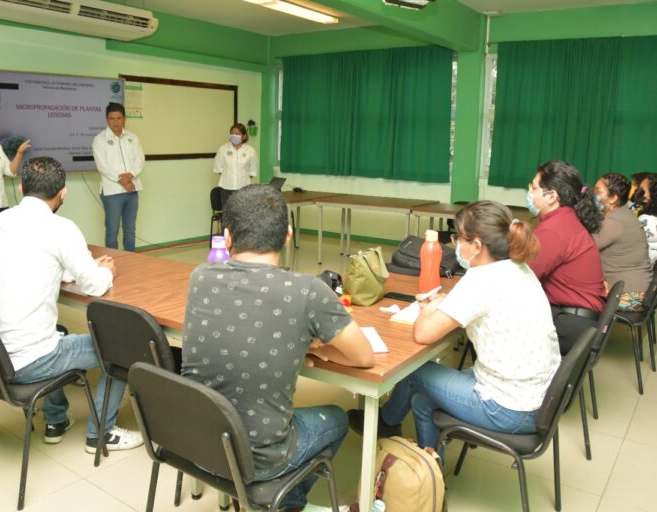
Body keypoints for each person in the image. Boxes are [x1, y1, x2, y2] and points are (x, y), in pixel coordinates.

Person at [181, 184, 374, 512]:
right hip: (260, 458)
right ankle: (289, 502)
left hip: (198, 443)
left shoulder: (200, 276)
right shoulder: (309, 291)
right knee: (339, 419)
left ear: (227, 238)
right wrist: (314, 346)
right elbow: (365, 357)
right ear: (288, 235)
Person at [347, 201, 560, 460]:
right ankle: (432, 470)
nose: (456, 245)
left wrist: (426, 307)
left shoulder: (481, 280)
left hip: (509, 408)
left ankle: (386, 423)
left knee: (413, 372)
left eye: (460, 238)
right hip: (540, 399)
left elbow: (423, 333)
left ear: (478, 245)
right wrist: (443, 304)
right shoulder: (518, 268)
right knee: (421, 403)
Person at [0, 156, 142, 453]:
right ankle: (100, 435)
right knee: (122, 348)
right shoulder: (61, 228)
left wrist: (79, 266)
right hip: (27, 360)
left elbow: (33, 260)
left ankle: (55, 420)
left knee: (58, 331)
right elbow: (94, 285)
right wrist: (104, 271)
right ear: (63, 193)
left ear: (22, 187)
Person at [526, 160, 606, 355]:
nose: (530, 192)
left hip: (569, 326)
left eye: (534, 187)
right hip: (581, 322)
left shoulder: (555, 229)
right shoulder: (567, 219)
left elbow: (523, 277)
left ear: (552, 195)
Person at [593, 173, 653, 311]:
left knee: (569, 289)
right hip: (638, 285)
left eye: (598, 191)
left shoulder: (615, 221)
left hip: (629, 294)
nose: (593, 195)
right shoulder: (622, 213)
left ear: (613, 198)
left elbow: (584, 246)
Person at [92, 102, 144, 252]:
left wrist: (130, 176)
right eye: (112, 118)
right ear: (107, 119)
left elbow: (140, 159)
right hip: (112, 192)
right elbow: (103, 166)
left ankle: (132, 261)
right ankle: (112, 263)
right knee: (112, 232)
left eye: (119, 118)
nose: (116, 122)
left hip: (132, 191)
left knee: (130, 231)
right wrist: (124, 181)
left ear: (124, 119)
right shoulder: (99, 139)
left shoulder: (132, 138)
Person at [213, 123, 258, 207]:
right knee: (228, 214)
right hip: (226, 188)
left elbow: (252, 172)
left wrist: (241, 179)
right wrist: (230, 177)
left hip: (244, 188)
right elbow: (218, 169)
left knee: (244, 214)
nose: (234, 136)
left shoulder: (251, 151)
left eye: (237, 134)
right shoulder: (223, 149)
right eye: (232, 133)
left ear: (244, 136)